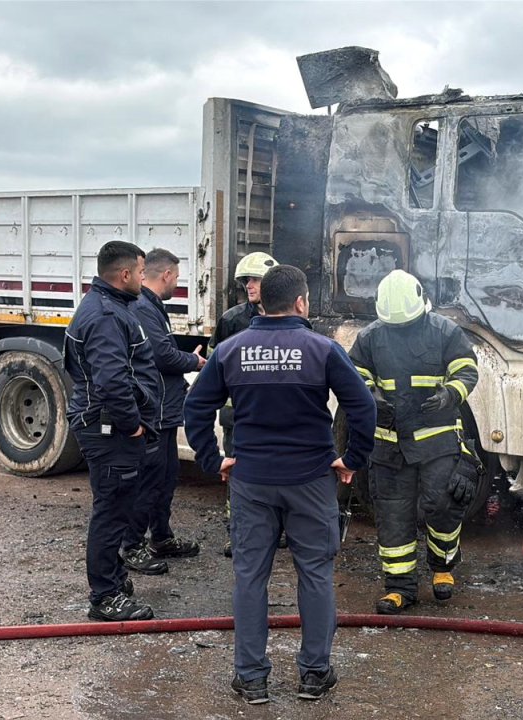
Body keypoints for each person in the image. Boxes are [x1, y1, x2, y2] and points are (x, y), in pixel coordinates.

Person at [184, 264, 375, 704]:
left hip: (251, 481)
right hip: (311, 479)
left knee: (250, 577)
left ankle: (251, 679)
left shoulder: (230, 350)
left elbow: (195, 407)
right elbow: (362, 406)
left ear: (261, 301)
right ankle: (314, 674)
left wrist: (214, 459)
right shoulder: (322, 349)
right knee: (315, 574)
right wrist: (353, 459)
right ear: (301, 302)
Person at [348, 270, 481, 616]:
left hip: (436, 440)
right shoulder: (371, 336)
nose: (400, 330)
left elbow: (468, 369)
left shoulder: (444, 331)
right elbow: (354, 374)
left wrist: (451, 393)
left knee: (441, 504)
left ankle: (443, 566)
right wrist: (370, 395)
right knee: (393, 516)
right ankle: (400, 588)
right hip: (389, 445)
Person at [64, 241, 162, 621]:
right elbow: (112, 382)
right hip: (109, 430)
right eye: (140, 272)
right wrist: (133, 425)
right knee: (111, 511)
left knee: (117, 508)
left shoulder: (111, 308)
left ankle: (114, 579)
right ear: (124, 275)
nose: (143, 278)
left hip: (108, 427)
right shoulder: (106, 315)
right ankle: (105, 597)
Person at [120, 248, 206, 573]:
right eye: (177, 277)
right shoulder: (143, 308)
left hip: (165, 411)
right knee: (150, 479)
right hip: (153, 411)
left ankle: (161, 536)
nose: (177, 284)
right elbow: (162, 356)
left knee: (167, 477)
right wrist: (195, 361)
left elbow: (164, 350)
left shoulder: (154, 307)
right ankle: (132, 545)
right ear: (167, 275)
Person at [210, 252, 278, 557]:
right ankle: (236, 532)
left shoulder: (290, 317)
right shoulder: (232, 319)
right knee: (237, 474)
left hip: (275, 413)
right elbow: (214, 363)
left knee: (276, 471)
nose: (249, 285)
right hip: (237, 413)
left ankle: (275, 530)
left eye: (255, 280)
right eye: (246, 280)